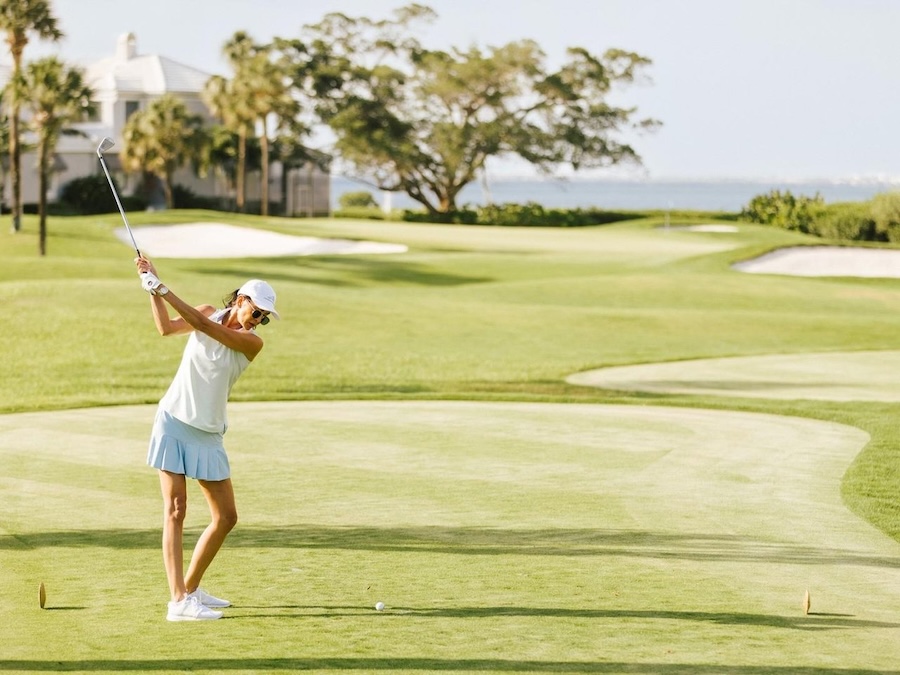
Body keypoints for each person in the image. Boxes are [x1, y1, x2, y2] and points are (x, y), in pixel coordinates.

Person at [135, 255, 280, 621]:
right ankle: (178, 602)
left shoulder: (251, 342)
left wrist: (163, 286)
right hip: (173, 420)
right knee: (176, 510)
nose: (259, 319)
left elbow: (201, 325)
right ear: (241, 300)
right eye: (257, 310)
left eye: (264, 316)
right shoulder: (208, 312)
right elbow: (167, 329)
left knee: (226, 517)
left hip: (208, 433)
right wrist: (151, 288)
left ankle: (191, 587)